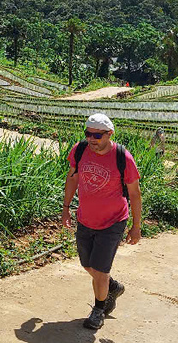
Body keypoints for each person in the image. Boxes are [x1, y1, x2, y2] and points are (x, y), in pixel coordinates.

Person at [62, 113, 142, 330]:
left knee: (100, 270)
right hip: (85, 218)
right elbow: (72, 178)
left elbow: (135, 194)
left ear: (109, 134)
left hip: (113, 221)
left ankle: (99, 310)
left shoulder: (123, 157)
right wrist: (66, 208)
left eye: (97, 135)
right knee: (87, 264)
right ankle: (112, 286)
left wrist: (136, 227)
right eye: (88, 134)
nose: (91, 139)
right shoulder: (79, 150)